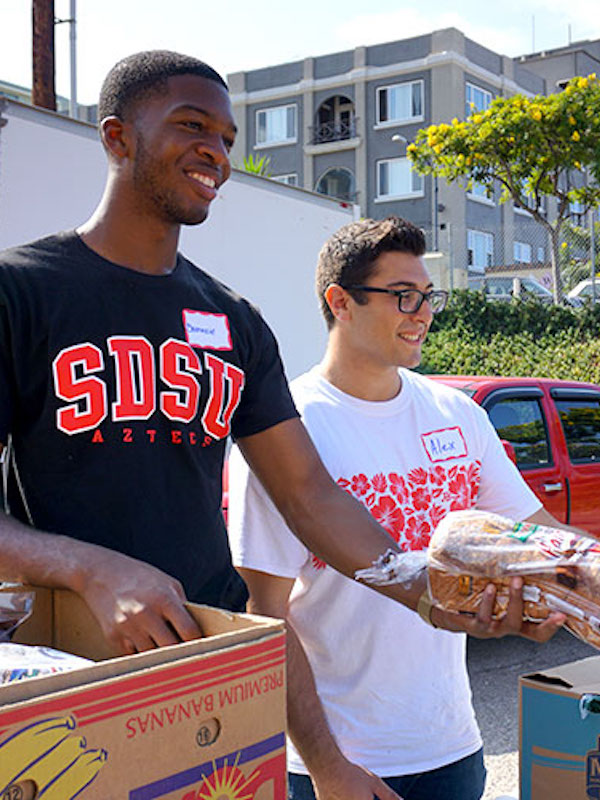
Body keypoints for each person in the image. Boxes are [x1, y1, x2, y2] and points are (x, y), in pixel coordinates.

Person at [0, 52, 560, 681]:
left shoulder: (234, 319)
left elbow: (311, 496)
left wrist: (428, 594)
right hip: (61, 666)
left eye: (227, 138)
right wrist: (91, 568)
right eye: (192, 126)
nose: (217, 152)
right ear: (117, 135)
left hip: (212, 655)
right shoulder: (21, 292)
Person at [227, 216, 572, 800]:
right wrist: (328, 767)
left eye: (428, 296)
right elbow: (265, 616)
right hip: (334, 766)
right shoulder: (287, 432)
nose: (424, 314)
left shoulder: (456, 414)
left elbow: (539, 537)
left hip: (453, 747)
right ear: (341, 302)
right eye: (403, 296)